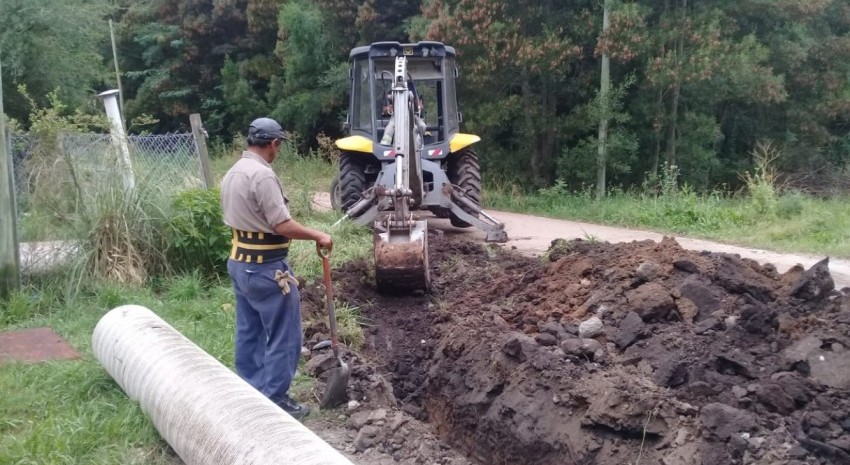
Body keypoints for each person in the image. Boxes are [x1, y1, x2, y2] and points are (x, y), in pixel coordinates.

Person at [220, 117, 333, 420]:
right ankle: (276, 399)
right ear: (273, 144)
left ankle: (251, 390)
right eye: (278, 145)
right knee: (285, 334)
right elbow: (281, 224)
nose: (277, 151)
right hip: (267, 270)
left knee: (249, 330)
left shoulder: (233, 172)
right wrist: (318, 235)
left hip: (239, 264)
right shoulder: (262, 176)